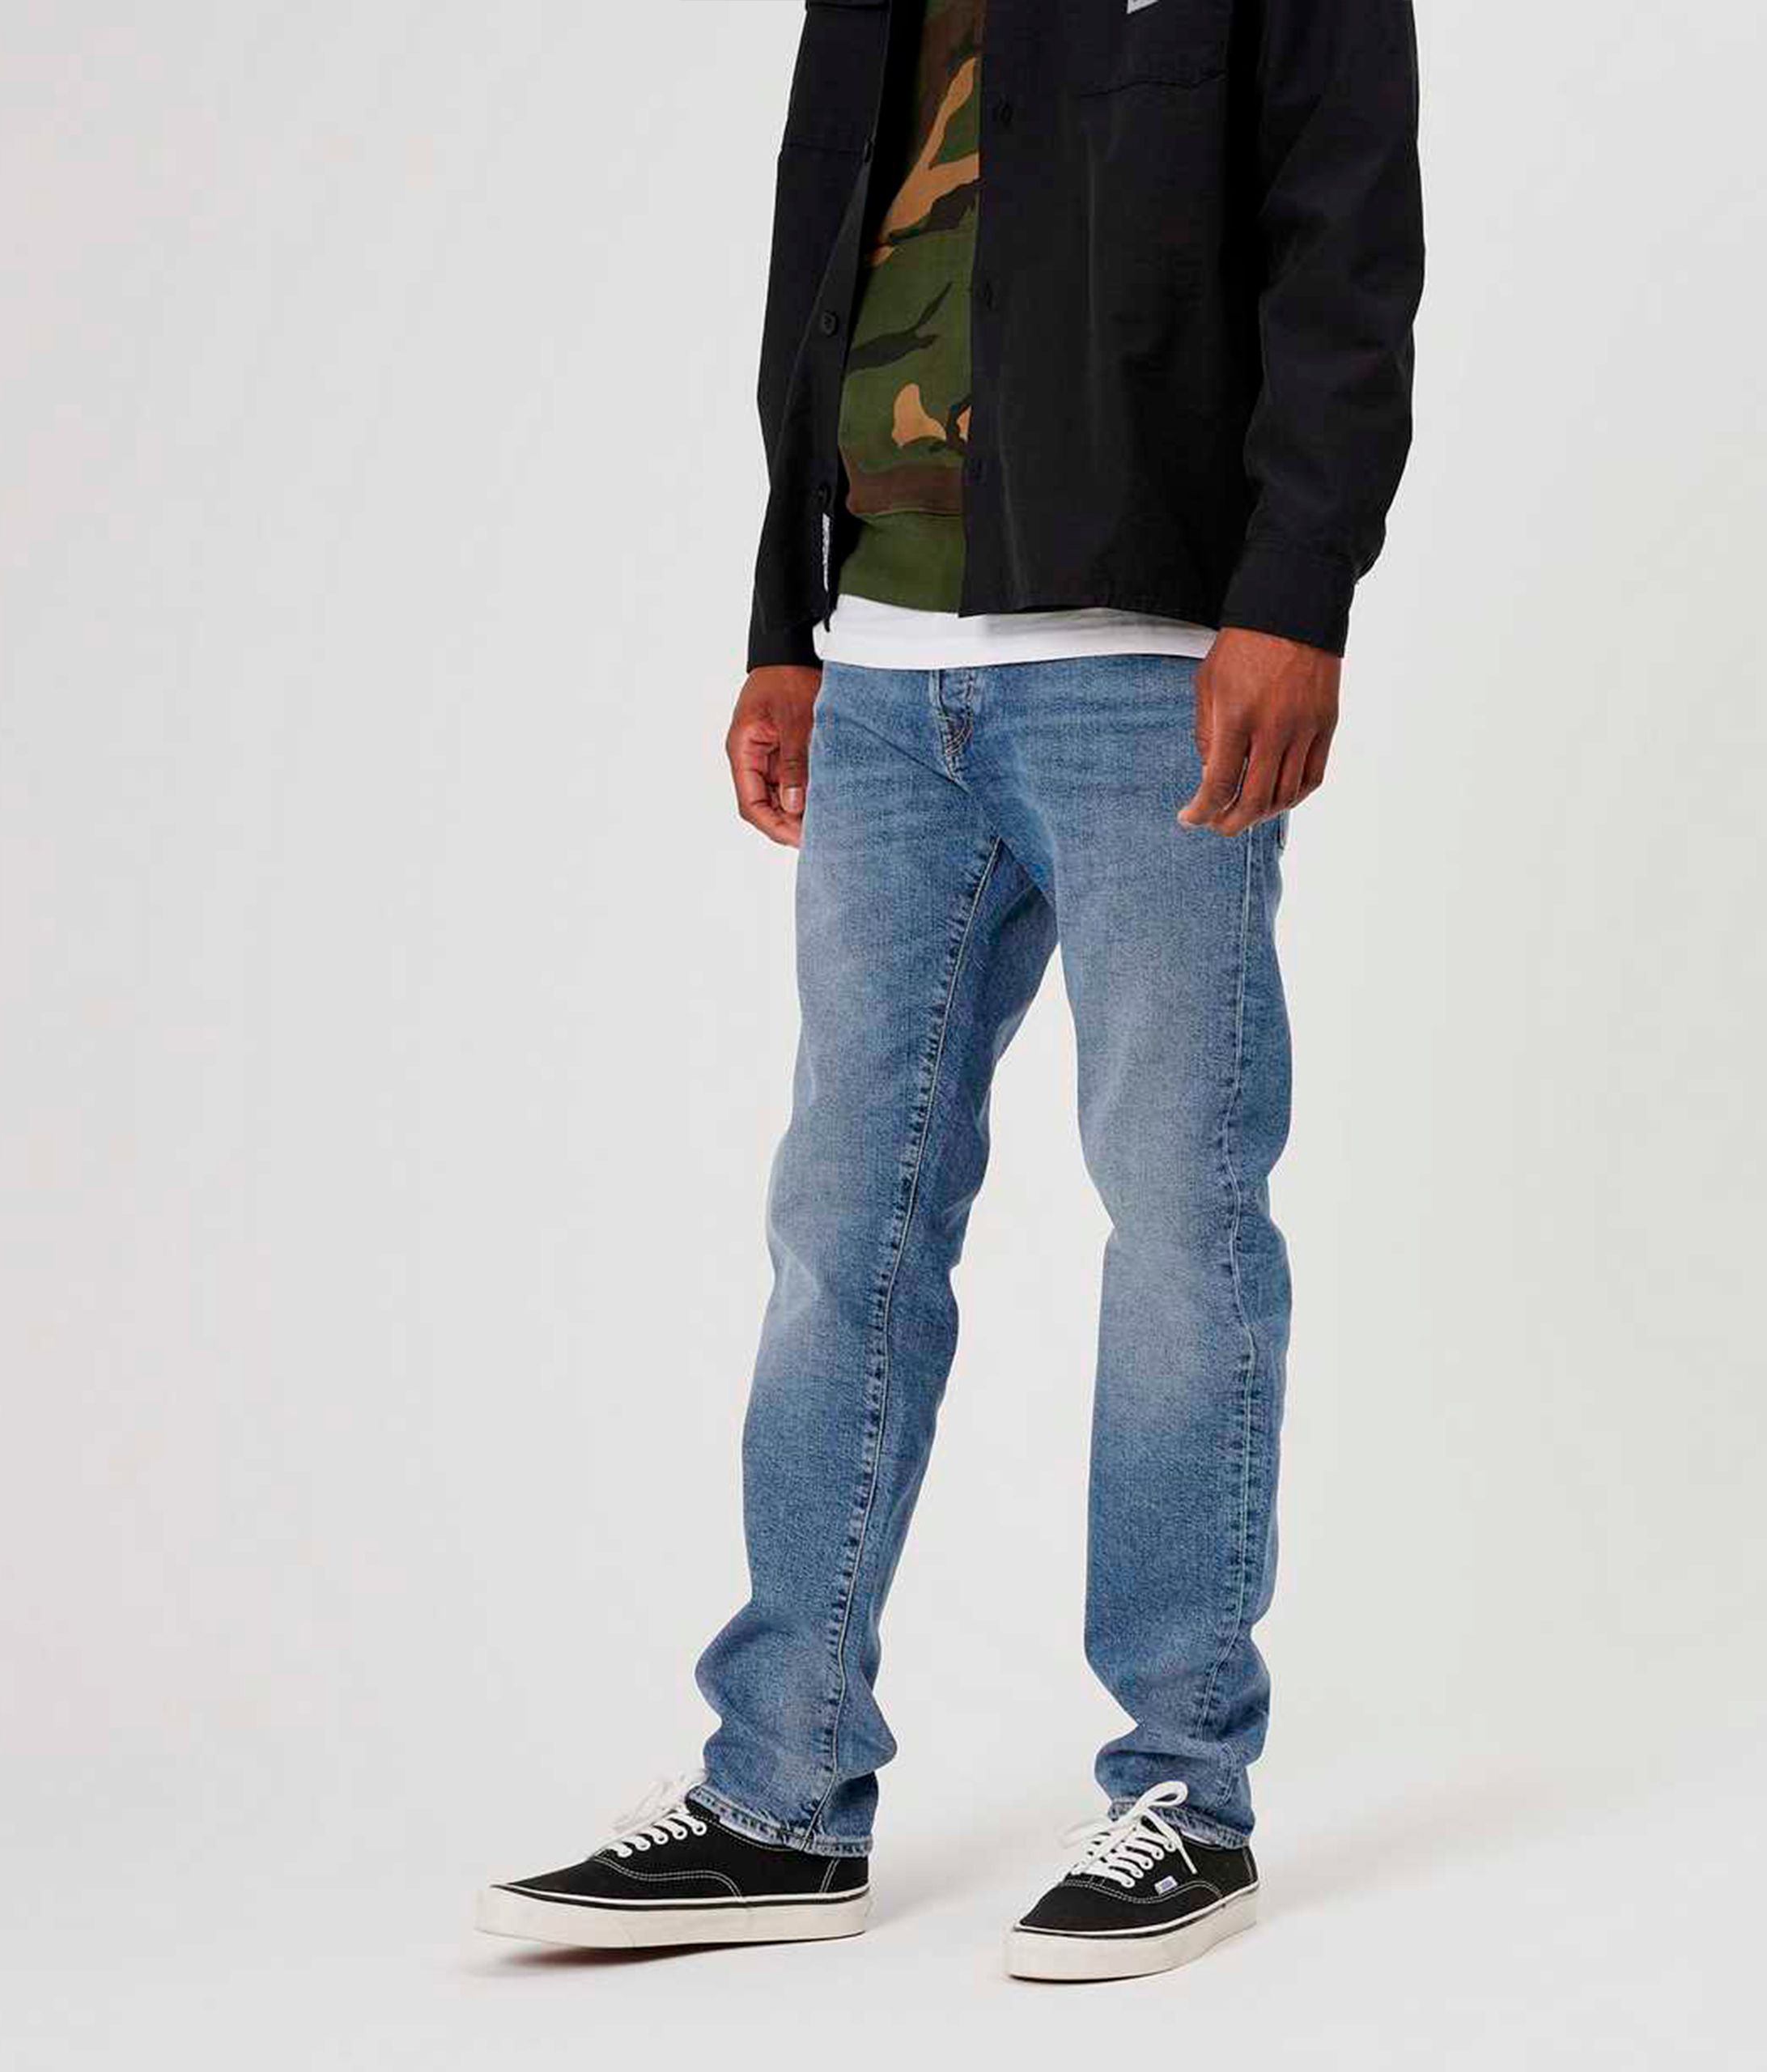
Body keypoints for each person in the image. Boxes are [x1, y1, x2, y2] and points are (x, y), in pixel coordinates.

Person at [479, 0, 1421, 1982]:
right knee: (844, 1227)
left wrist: (1293, 592)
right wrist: (782, 618)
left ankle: (1185, 1789)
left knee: (1176, 1218)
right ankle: (777, 1791)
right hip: (884, 664)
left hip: (1145, 657)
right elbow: (820, 248)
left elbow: (1344, 243)